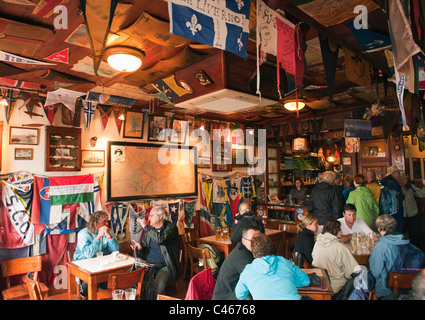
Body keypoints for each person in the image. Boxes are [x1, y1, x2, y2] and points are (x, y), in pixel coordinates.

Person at [235, 233, 310, 300]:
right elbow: (306, 281)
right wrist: (289, 281)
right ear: (272, 249)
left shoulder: (248, 271)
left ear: (254, 254)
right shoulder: (284, 262)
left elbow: (239, 295)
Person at [131, 206, 181, 297]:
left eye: (152, 216)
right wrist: (140, 248)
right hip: (149, 265)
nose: (149, 218)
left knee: (155, 288)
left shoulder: (171, 228)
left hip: (166, 265)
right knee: (134, 282)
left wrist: (146, 227)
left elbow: (160, 239)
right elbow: (144, 249)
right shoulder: (150, 230)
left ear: (160, 216)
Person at [74, 210, 120, 297]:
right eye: (104, 221)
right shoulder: (83, 234)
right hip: (84, 266)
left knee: (114, 282)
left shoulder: (108, 231)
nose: (107, 223)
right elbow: (88, 254)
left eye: (107, 221)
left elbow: (116, 250)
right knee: (86, 289)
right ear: (95, 223)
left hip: (101, 267)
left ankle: (101, 292)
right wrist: (98, 237)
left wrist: (109, 236)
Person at [312, 219, 360, 293]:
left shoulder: (317, 244)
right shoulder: (340, 248)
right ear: (337, 231)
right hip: (336, 287)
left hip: (318, 283)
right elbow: (353, 272)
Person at [212, 226, 261, 300]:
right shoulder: (242, 256)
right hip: (227, 296)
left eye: (259, 239)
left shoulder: (248, 249)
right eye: (253, 240)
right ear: (244, 241)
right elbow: (255, 280)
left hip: (236, 291)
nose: (257, 243)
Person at [368, 214, 410, 298]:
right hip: (408, 287)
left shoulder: (381, 245)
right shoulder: (405, 240)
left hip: (387, 291)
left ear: (380, 229)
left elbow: (375, 272)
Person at [398, 172, 425, 247]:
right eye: (403, 179)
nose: (406, 180)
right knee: (402, 234)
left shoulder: (410, 187)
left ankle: (415, 250)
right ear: (399, 180)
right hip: (402, 215)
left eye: (406, 179)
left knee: (415, 235)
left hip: (412, 214)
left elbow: (422, 194)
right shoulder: (396, 188)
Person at [381, 165, 405, 233]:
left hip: (385, 211)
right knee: (397, 231)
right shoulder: (394, 183)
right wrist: (403, 193)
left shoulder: (383, 182)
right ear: (393, 173)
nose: (399, 175)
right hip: (396, 211)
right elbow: (399, 197)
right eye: (398, 173)